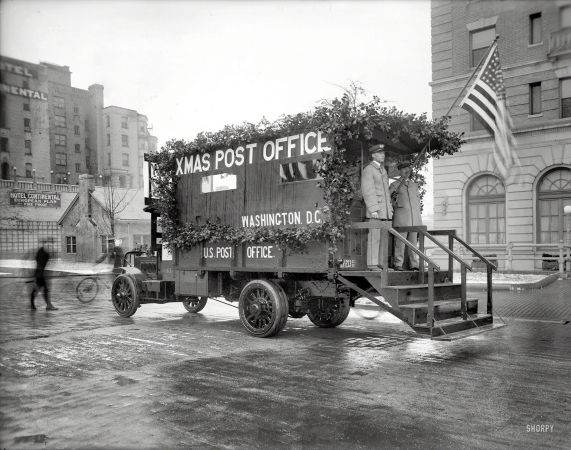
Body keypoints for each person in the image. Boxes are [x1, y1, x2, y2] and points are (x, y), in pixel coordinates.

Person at [361, 143, 393, 270]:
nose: (383, 155)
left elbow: (386, 193)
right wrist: (373, 208)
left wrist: (389, 210)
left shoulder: (382, 170)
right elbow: (368, 190)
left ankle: (382, 263)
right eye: (380, 153)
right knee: (374, 237)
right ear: (373, 155)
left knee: (383, 238)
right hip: (376, 210)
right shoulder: (369, 169)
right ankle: (372, 264)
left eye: (383, 153)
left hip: (385, 211)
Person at [389, 161, 423, 271]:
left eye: (408, 168)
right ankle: (398, 264)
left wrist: (419, 220)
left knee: (413, 243)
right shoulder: (394, 185)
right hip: (402, 219)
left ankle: (414, 264)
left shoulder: (414, 185)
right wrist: (393, 197)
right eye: (403, 168)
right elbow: (390, 201)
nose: (406, 170)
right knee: (400, 242)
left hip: (414, 219)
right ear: (399, 170)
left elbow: (417, 203)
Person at [30, 240, 58, 311]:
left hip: (38, 273)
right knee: (44, 289)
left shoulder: (41, 250)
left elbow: (37, 259)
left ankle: (32, 304)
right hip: (41, 274)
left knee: (38, 289)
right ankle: (48, 306)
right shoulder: (45, 253)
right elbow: (43, 263)